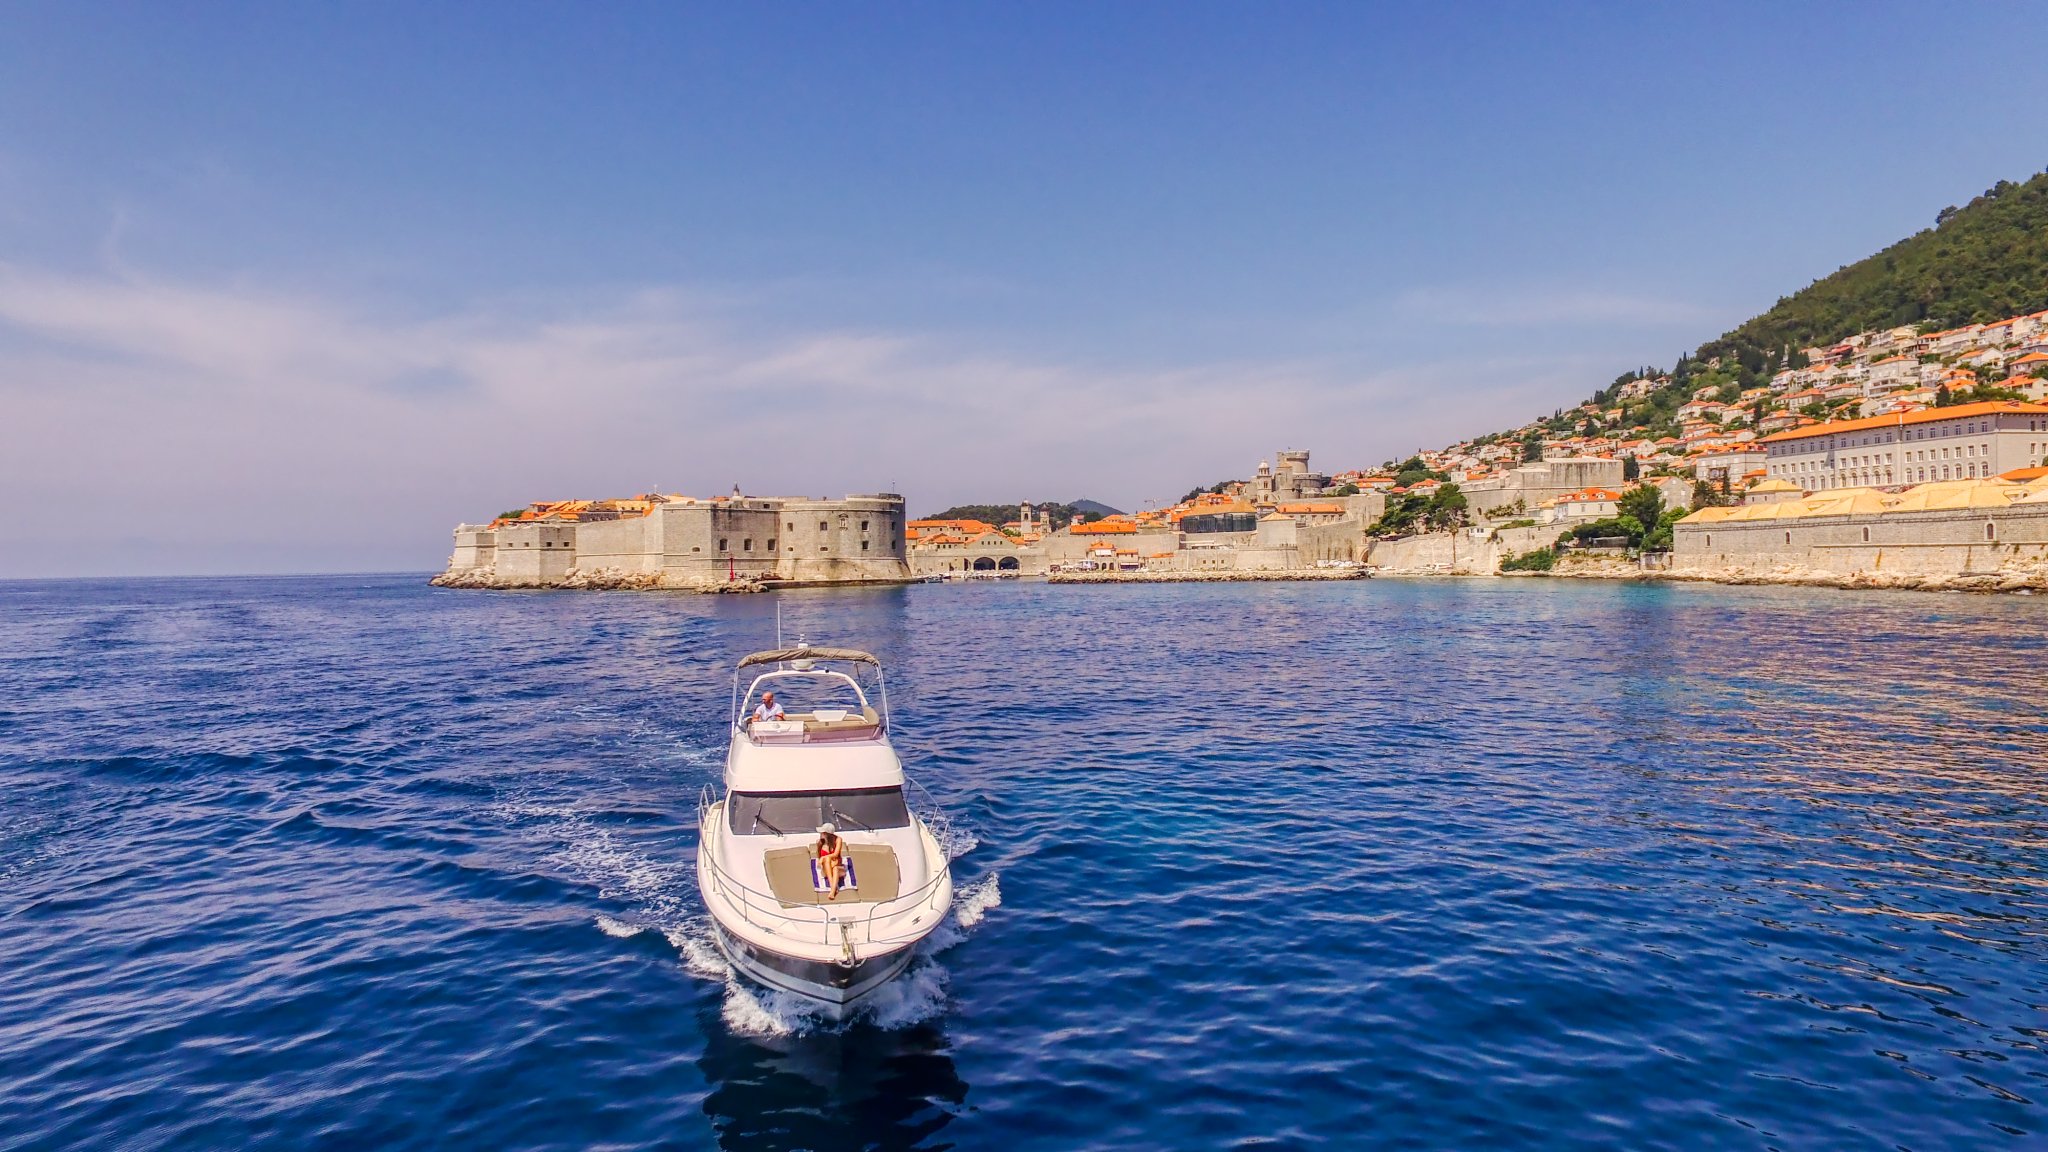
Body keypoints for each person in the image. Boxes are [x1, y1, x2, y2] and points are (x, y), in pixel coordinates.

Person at [815, 822, 847, 898]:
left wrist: (824, 857)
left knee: (834, 867)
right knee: (827, 860)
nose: (820, 834)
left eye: (822, 832)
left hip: (837, 866)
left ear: (827, 834)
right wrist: (823, 859)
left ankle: (832, 891)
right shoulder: (819, 842)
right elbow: (820, 859)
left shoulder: (838, 839)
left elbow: (836, 854)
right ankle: (834, 887)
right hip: (826, 869)